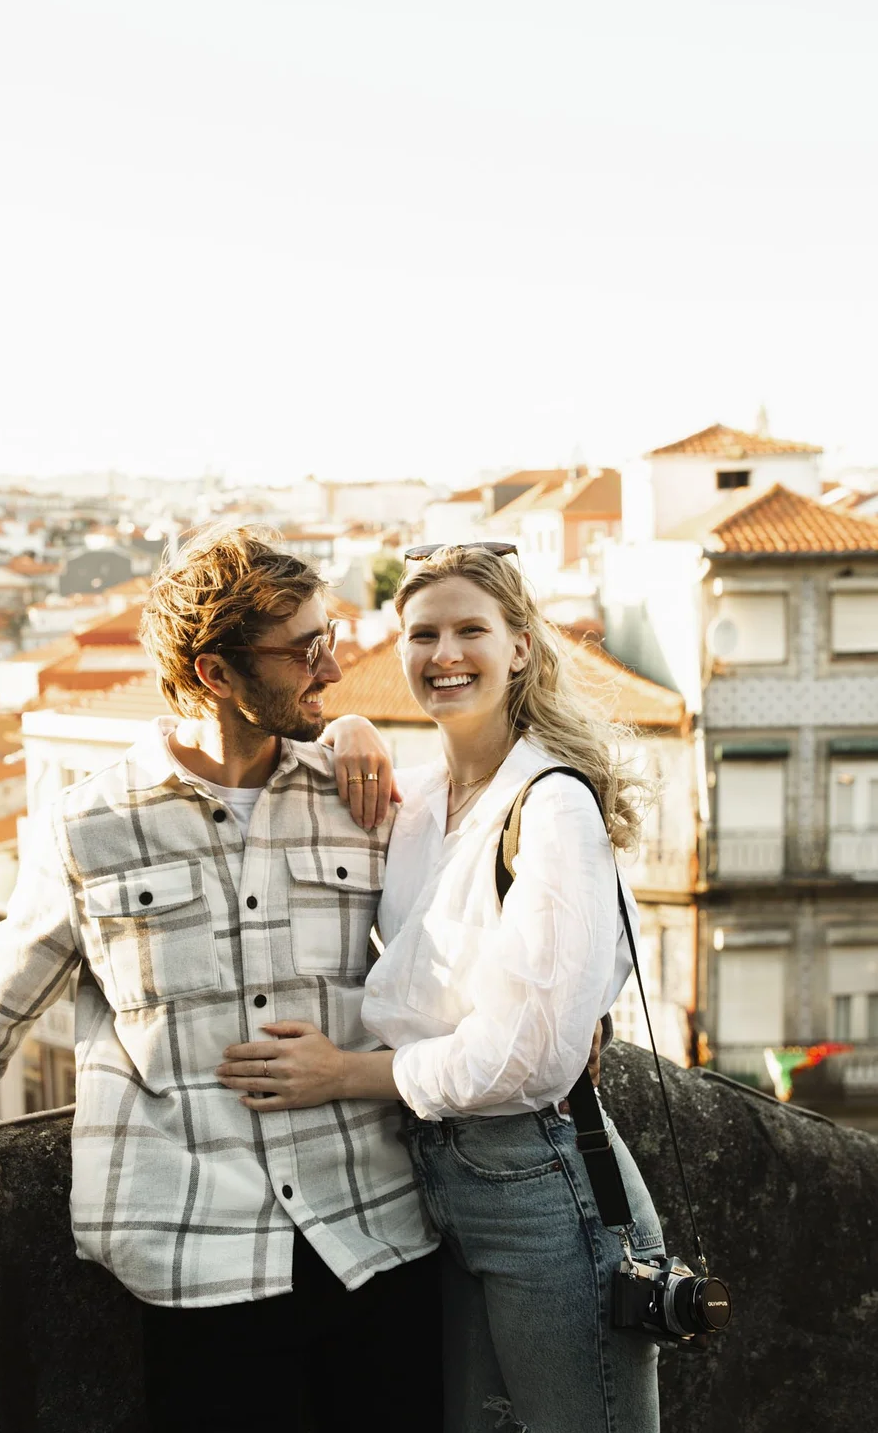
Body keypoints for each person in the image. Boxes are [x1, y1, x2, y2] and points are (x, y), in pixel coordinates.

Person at [0, 525, 442, 1433]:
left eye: (326, 638)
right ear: (215, 673)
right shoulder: (86, 829)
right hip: (201, 1264)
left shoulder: (359, 797)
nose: (332, 671)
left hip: (375, 1240)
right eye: (304, 651)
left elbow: (448, 966)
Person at [217, 542, 665, 1432]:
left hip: (546, 1187)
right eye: (423, 635)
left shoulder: (553, 808)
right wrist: (343, 729)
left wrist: (344, 1073)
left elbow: (528, 1059)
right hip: (436, 1188)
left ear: (522, 648)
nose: (445, 655)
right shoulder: (419, 804)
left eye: (472, 631)